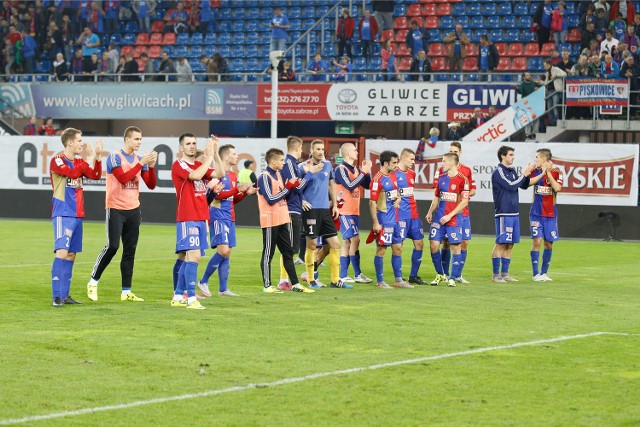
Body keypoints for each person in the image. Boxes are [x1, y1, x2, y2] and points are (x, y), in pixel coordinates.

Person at [87, 126, 157, 302]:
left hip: (133, 208)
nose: (139, 142)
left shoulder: (140, 159)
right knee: (112, 247)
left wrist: (151, 166)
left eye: (141, 139)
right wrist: (141, 164)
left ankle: (126, 291)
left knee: (130, 251)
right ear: (127, 139)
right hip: (116, 208)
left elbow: (151, 185)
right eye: (136, 139)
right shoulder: (114, 157)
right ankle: (93, 281)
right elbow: (123, 178)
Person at [49, 128, 103, 306]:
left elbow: (95, 175)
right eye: (79, 140)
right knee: (62, 252)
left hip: (77, 214)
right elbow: (73, 173)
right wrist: (87, 160)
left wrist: (98, 157)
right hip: (63, 213)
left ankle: (65, 295)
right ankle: (56, 296)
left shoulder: (79, 162)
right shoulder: (57, 160)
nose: (82, 143)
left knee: (71, 255)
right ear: (70, 142)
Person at [171, 134, 224, 309]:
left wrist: (215, 154)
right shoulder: (179, 164)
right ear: (181, 148)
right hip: (188, 217)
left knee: (191, 258)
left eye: (194, 143)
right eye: (188, 143)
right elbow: (195, 176)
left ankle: (178, 296)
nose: (192, 146)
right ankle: (191, 299)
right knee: (193, 256)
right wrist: (208, 158)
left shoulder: (198, 164)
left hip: (202, 217)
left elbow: (220, 173)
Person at [197, 144, 257, 297]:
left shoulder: (233, 175)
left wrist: (244, 193)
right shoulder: (216, 174)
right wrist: (238, 189)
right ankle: (203, 281)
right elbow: (216, 196)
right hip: (218, 215)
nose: (237, 157)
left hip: (230, 216)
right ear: (225, 157)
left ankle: (223, 289)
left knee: (227, 253)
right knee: (223, 251)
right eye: (234, 154)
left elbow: (232, 198)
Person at [257, 148, 313, 294]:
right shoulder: (264, 176)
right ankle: (267, 286)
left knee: (288, 253)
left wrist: (291, 187)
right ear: (273, 161)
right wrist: (288, 187)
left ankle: (295, 283)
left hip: (282, 218)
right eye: (281, 160)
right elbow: (270, 199)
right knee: (268, 253)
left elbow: (283, 196)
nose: (284, 162)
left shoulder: (279, 175)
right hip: (270, 220)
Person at [301, 139, 350, 289]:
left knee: (335, 243)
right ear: (311, 151)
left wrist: (334, 205)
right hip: (310, 210)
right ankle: (310, 279)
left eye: (322, 149)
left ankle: (335, 281)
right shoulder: (303, 167)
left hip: (325, 210)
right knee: (312, 244)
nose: (321, 152)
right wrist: (301, 200)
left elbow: (331, 185)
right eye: (317, 149)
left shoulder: (328, 165)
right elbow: (296, 186)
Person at [277, 136, 323, 288]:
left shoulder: (293, 164)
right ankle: (284, 281)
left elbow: (296, 186)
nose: (302, 151)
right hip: (290, 209)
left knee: (292, 248)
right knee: (289, 247)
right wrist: (309, 174)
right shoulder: (289, 163)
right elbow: (295, 187)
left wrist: (306, 171)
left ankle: (288, 281)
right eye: (301, 148)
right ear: (297, 148)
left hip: (295, 208)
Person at [434, 142, 476, 284]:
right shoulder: (442, 171)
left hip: (462, 212)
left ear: (460, 153)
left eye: (455, 151)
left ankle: (458, 274)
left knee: (463, 242)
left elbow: (473, 190)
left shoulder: (467, 171)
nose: (453, 153)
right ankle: (445, 273)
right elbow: (438, 191)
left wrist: (464, 196)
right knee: (446, 243)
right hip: (446, 212)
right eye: (451, 151)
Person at [491, 146, 534, 283]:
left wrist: (527, 175)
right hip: (503, 212)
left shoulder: (512, 170)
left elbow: (523, 185)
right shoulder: (498, 172)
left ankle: (505, 274)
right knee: (501, 243)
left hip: (514, 212)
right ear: (503, 156)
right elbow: (511, 185)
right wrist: (524, 174)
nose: (513, 157)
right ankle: (495, 276)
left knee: (510, 244)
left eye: (513, 154)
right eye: (510, 154)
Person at [425, 152, 470, 288]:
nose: (442, 164)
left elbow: (464, 202)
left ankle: (453, 277)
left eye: (444, 161)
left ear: (451, 163)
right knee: (433, 245)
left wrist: (449, 216)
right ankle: (440, 274)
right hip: (439, 218)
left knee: (455, 246)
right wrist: (430, 212)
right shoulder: (441, 178)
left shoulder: (463, 180)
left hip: (453, 219)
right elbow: (437, 197)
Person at [369, 150, 410, 289]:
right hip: (384, 219)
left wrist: (398, 197)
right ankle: (380, 281)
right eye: (394, 162)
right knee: (381, 249)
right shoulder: (377, 179)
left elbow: (396, 191)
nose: (396, 165)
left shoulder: (393, 176)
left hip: (396, 218)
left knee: (398, 248)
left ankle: (398, 280)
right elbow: (372, 202)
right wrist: (375, 222)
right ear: (385, 163)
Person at [334, 143, 372, 284]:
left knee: (348, 241)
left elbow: (367, 185)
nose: (357, 152)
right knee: (354, 240)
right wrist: (363, 172)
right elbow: (350, 186)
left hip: (354, 211)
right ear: (347, 153)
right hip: (344, 210)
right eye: (354, 150)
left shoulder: (356, 169)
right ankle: (355, 274)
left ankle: (344, 275)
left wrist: (366, 171)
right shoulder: (340, 169)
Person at [528, 149, 563, 282]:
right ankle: (535, 274)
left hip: (550, 214)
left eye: (537, 157)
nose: (535, 159)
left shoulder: (557, 172)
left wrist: (548, 173)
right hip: (536, 214)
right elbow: (528, 183)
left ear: (544, 159)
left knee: (548, 244)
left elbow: (557, 188)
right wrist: (540, 171)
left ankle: (544, 273)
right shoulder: (534, 171)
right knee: (537, 241)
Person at [396, 149, 426, 286]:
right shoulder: (393, 173)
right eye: (411, 159)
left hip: (414, 214)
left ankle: (413, 276)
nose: (414, 162)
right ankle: (399, 278)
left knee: (419, 244)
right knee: (398, 246)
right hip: (400, 215)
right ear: (403, 158)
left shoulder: (412, 174)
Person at [515, 72, 542, 139]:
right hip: (526, 104)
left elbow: (541, 87)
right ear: (524, 77)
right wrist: (517, 88)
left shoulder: (534, 83)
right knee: (527, 118)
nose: (529, 76)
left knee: (536, 118)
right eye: (527, 75)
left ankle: (535, 133)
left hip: (535, 103)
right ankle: (528, 134)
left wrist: (538, 87)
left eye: (529, 75)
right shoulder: (522, 85)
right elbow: (520, 91)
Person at [542, 59, 567, 126]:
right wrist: (540, 82)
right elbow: (546, 82)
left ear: (548, 64)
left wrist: (556, 75)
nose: (544, 67)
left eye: (545, 66)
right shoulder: (547, 73)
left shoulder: (556, 69)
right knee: (550, 108)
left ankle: (557, 121)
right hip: (549, 91)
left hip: (555, 91)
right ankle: (551, 122)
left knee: (555, 107)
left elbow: (565, 74)